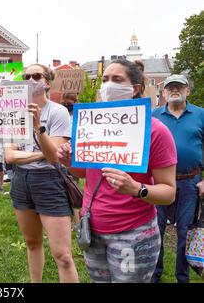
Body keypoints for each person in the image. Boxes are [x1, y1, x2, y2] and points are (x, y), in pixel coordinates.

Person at [57, 59, 177, 283]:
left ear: (135, 89)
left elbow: (169, 192)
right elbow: (83, 174)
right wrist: (68, 161)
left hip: (133, 232)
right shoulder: (90, 127)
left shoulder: (156, 132)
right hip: (93, 229)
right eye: (104, 80)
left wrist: (136, 189)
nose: (108, 85)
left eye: (117, 80)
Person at [5, 63, 79, 283]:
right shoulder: (13, 110)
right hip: (21, 180)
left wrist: (39, 127)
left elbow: (55, 157)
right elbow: (9, 156)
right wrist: (42, 155)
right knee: (32, 243)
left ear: (47, 81)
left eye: (36, 75)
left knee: (63, 255)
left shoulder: (58, 112)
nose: (29, 79)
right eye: (25, 75)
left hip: (49, 181)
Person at [151, 74, 204, 283]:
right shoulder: (154, 116)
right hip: (159, 182)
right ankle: (154, 275)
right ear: (163, 93)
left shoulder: (200, 114)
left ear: (187, 91)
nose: (175, 90)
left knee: (184, 231)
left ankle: (182, 278)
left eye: (179, 87)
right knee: (156, 230)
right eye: (170, 87)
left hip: (190, 182)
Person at [61, 93, 81, 227]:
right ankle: (71, 219)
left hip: (75, 156)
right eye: (65, 103)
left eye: (69, 103)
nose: (67, 106)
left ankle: (78, 220)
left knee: (73, 188)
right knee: (65, 188)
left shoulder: (80, 118)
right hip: (63, 154)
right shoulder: (62, 116)